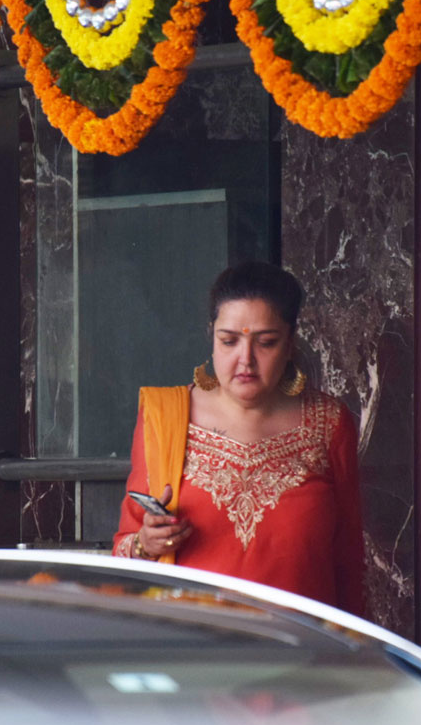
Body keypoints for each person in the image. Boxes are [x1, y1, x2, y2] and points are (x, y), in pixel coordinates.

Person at [112, 261, 365, 617]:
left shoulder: (329, 424)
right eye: (229, 341)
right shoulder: (165, 417)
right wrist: (146, 543)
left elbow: (349, 561)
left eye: (266, 342)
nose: (245, 360)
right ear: (212, 337)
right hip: (195, 645)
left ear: (290, 343)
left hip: (302, 652)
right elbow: (124, 546)